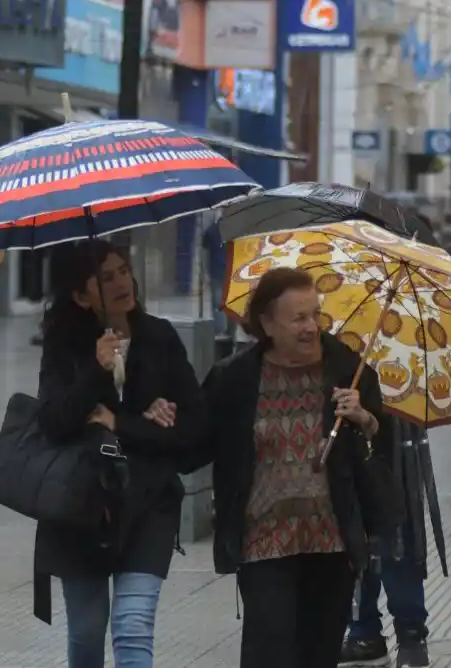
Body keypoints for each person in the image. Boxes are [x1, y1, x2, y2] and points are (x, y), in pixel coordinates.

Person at [187, 267, 397, 668]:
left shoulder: (347, 370)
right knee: (270, 651)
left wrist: (363, 418)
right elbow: (193, 448)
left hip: (332, 543)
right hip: (262, 541)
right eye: (298, 318)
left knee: (320, 655)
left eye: (315, 314)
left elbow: (382, 442)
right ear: (267, 323)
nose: (311, 327)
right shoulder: (234, 378)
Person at [33, 240, 204, 668]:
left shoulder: (160, 337)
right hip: (83, 505)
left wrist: (121, 423)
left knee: (132, 626)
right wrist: (97, 370)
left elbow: (195, 430)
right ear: (81, 295)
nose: (121, 282)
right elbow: (54, 422)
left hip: (149, 502)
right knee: (87, 635)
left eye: (124, 270)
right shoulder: (65, 346)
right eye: (106, 278)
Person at [339, 419, 434, 668]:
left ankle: (409, 634)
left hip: (394, 448)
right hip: (351, 445)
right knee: (355, 537)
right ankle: (366, 635)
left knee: (396, 538)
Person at [201, 215, 229, 337]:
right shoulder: (235, 228)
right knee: (228, 302)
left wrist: (205, 272)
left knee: (218, 302)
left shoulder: (213, 229)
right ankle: (227, 331)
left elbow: (204, 246)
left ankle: (220, 331)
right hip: (230, 270)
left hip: (217, 270)